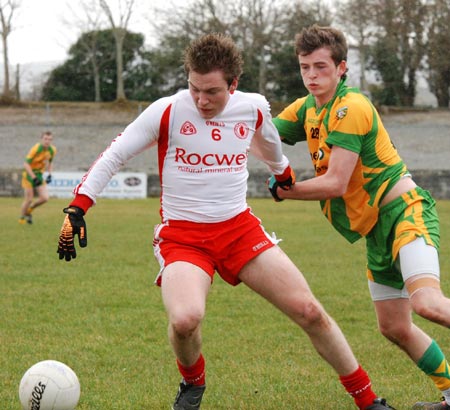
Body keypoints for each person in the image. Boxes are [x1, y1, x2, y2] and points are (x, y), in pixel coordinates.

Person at [57, 33, 394, 410]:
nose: (201, 100)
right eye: (194, 88)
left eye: (213, 92)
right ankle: (192, 386)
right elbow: (115, 154)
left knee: (310, 311)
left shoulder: (253, 107)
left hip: (238, 230)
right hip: (183, 237)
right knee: (185, 319)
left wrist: (283, 174)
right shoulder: (166, 110)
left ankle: (368, 401)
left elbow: (269, 144)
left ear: (234, 85)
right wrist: (78, 206)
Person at [269, 24, 450, 410]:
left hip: (405, 213)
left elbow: (335, 183)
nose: (312, 76)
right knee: (395, 327)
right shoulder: (305, 109)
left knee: (428, 304)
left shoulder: (352, 107)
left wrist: (287, 189)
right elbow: (260, 132)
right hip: (375, 230)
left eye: (320, 66)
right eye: (305, 68)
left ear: (341, 68)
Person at [19, 131, 56, 224]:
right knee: (29, 199)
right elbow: (26, 164)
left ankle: (30, 210)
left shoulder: (52, 150)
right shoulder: (36, 149)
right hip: (28, 174)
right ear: (41, 139)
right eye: (45, 139)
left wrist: (50, 174)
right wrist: (33, 177)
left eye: (49, 139)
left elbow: (50, 162)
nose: (47, 141)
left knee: (45, 198)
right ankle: (22, 219)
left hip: (39, 174)